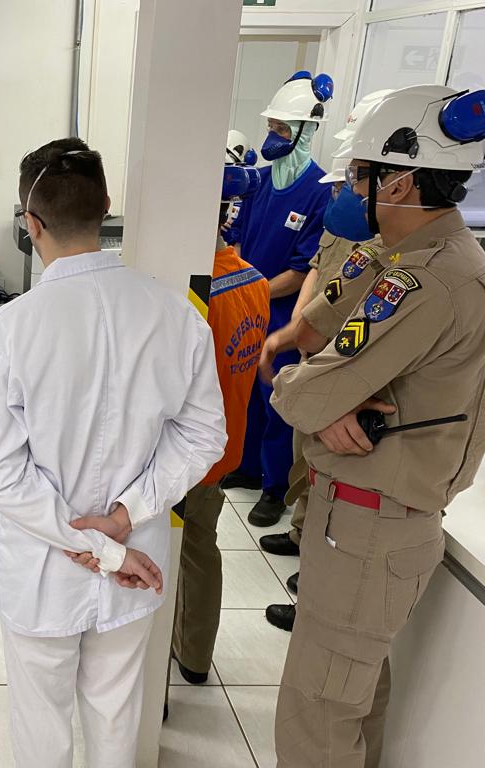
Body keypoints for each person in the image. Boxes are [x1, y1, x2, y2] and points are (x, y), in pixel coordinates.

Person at [0, 138, 226, 767]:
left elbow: (3, 477)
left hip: (45, 567)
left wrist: (100, 543)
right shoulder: (177, 315)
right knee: (116, 718)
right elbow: (203, 437)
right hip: (136, 560)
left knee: (41, 725)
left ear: (30, 224)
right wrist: (122, 521)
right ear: (106, 207)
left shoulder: (10, 328)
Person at [270, 84, 485, 767]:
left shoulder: (430, 282)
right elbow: (314, 334)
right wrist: (322, 394)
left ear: (399, 181)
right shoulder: (391, 257)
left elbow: (302, 390)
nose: (348, 191)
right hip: (361, 517)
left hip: (373, 521)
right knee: (349, 694)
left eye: (360, 176)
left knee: (317, 710)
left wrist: (309, 392)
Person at [257, 91, 393, 632]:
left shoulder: (409, 260)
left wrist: (304, 349)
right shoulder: (356, 229)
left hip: (348, 378)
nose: (347, 191)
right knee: (309, 462)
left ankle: (316, 585)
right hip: (319, 355)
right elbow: (323, 275)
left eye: (356, 180)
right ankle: (303, 541)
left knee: (335, 487)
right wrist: (298, 331)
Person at [172, 142, 270, 685]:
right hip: (225, 445)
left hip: (188, 458)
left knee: (184, 552)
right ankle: (191, 650)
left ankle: (185, 653)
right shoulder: (253, 279)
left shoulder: (193, 293)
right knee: (199, 548)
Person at [222, 70, 334, 528]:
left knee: (277, 398)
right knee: (245, 391)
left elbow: (304, 269)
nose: (272, 135)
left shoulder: (321, 191)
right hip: (248, 307)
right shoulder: (259, 182)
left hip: (284, 313)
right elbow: (238, 240)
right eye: (270, 126)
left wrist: (251, 290)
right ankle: (247, 467)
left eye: (281, 129)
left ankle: (274, 487)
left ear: (306, 132)